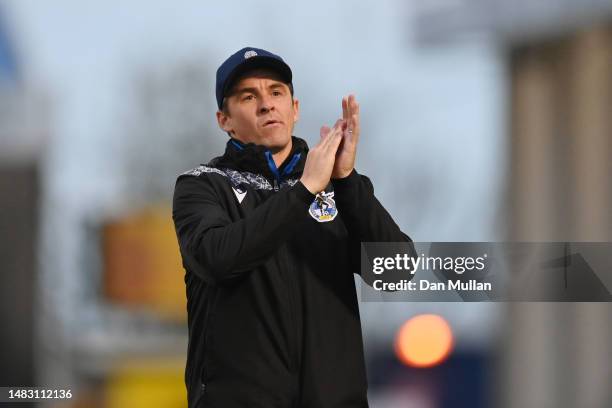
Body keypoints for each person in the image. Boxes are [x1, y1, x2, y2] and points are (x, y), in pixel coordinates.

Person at [172, 47, 413, 408]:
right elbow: (216, 257)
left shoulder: (337, 188)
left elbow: (397, 272)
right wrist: (302, 192)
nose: (266, 104)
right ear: (224, 119)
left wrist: (346, 180)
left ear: (294, 109)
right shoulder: (202, 185)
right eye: (248, 96)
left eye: (276, 92)